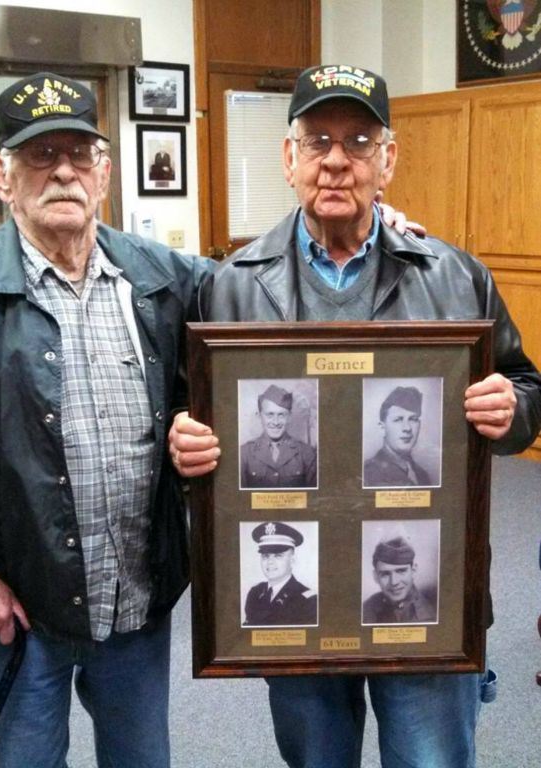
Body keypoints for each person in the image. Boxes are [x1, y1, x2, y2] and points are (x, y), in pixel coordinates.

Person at [169, 63, 541, 768]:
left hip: (429, 599)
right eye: (317, 141)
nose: (336, 160)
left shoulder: (456, 276)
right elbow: (189, 410)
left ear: (387, 160)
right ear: (289, 158)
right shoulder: (228, 287)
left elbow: (525, 385)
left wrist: (512, 408)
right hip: (302, 602)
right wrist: (181, 438)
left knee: (430, 759)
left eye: (359, 141)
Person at [0, 71, 209, 768]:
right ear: (2, 176)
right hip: (18, 608)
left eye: (79, 154)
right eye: (40, 155)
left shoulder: (165, 279)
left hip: (136, 598)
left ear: (104, 173)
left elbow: (266, 301)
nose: (64, 172)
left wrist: (378, 229)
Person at [241, 383, 317, 488]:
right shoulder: (244, 454)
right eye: (270, 415)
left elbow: (314, 496)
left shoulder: (307, 453)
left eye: (281, 415)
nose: (275, 422)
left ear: (289, 417)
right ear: (259, 416)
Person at [244, 521, 317, 626]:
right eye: (265, 556)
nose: (270, 562)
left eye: (278, 556)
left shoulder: (307, 601)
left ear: (292, 560)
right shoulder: (255, 593)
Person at [363, 385, 431, 487]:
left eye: (413, 419)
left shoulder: (422, 475)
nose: (407, 428)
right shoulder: (368, 474)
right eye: (398, 420)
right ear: (382, 427)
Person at [362, 535, 437, 624]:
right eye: (385, 574)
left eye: (401, 571)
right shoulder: (366, 609)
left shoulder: (431, 613)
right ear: (376, 576)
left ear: (413, 571)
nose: (394, 582)